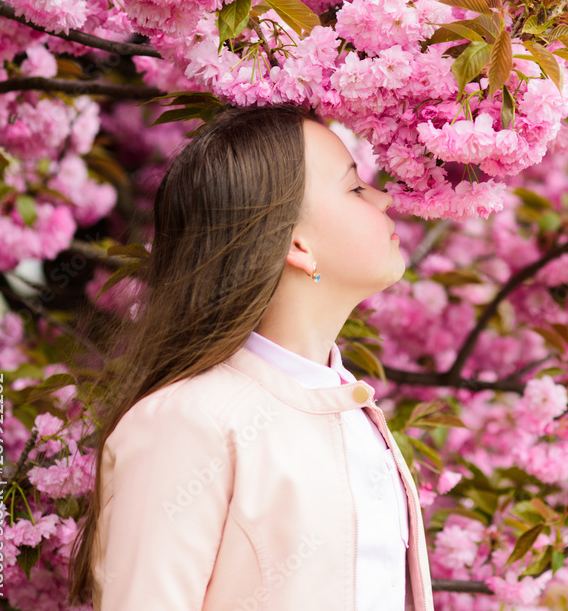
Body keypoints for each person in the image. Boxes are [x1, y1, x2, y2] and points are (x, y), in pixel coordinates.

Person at [66, 104, 434, 610]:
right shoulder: (186, 422)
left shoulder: (353, 410)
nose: (385, 197)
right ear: (296, 244)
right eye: (355, 187)